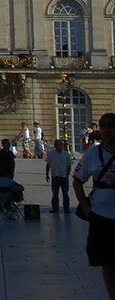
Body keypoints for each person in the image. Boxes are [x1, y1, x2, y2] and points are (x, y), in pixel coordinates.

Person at [73, 112, 115, 299]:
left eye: (111, 126)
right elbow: (77, 181)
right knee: (108, 262)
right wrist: (88, 210)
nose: (106, 131)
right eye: (103, 126)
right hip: (102, 215)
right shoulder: (94, 152)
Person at [46, 139, 72, 213]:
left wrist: (67, 174)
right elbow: (48, 165)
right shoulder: (51, 154)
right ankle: (55, 208)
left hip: (64, 177)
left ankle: (66, 209)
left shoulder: (66, 154)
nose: (56, 146)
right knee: (55, 194)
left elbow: (69, 165)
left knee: (65, 194)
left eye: (57, 144)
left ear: (61, 145)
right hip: (55, 177)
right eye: (55, 144)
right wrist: (47, 174)